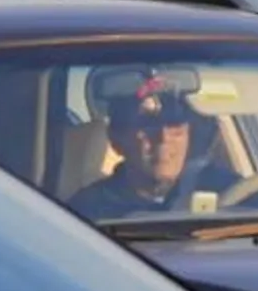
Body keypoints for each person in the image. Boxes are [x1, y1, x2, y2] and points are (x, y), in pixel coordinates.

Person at [67, 76, 245, 219]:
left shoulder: (229, 190)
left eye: (176, 126)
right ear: (117, 140)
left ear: (190, 135)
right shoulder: (85, 213)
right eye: (147, 125)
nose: (164, 138)